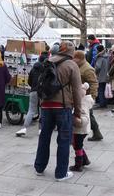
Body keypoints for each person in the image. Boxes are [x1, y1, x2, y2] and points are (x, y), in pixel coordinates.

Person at [34, 41, 82, 182]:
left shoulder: (47, 62)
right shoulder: (72, 65)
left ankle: (39, 167)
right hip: (62, 106)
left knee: (44, 136)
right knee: (64, 139)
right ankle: (61, 173)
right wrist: (77, 112)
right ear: (71, 52)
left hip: (46, 105)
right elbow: (77, 91)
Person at [73, 50, 103, 141]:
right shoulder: (80, 66)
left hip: (86, 96)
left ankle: (94, 133)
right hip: (82, 95)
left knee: (88, 115)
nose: (73, 60)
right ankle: (96, 133)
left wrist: (93, 97)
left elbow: (94, 83)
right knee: (89, 115)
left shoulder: (87, 69)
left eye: (74, 58)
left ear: (79, 58)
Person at [16, 51, 48, 137]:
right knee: (42, 111)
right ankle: (41, 129)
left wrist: (34, 86)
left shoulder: (34, 68)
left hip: (33, 91)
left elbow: (29, 81)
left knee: (31, 110)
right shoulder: (46, 69)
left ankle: (24, 128)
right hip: (42, 92)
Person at [70, 82, 94, 172]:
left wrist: (77, 120)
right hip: (81, 129)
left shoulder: (82, 104)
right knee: (77, 145)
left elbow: (84, 118)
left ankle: (78, 165)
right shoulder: (84, 101)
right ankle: (85, 160)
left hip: (80, 129)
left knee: (77, 146)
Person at [93, 45, 109, 109]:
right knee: (103, 90)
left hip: (100, 76)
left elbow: (98, 67)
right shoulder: (107, 56)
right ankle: (104, 103)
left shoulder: (100, 57)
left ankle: (101, 104)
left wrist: (94, 71)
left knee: (100, 90)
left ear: (98, 50)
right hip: (105, 75)